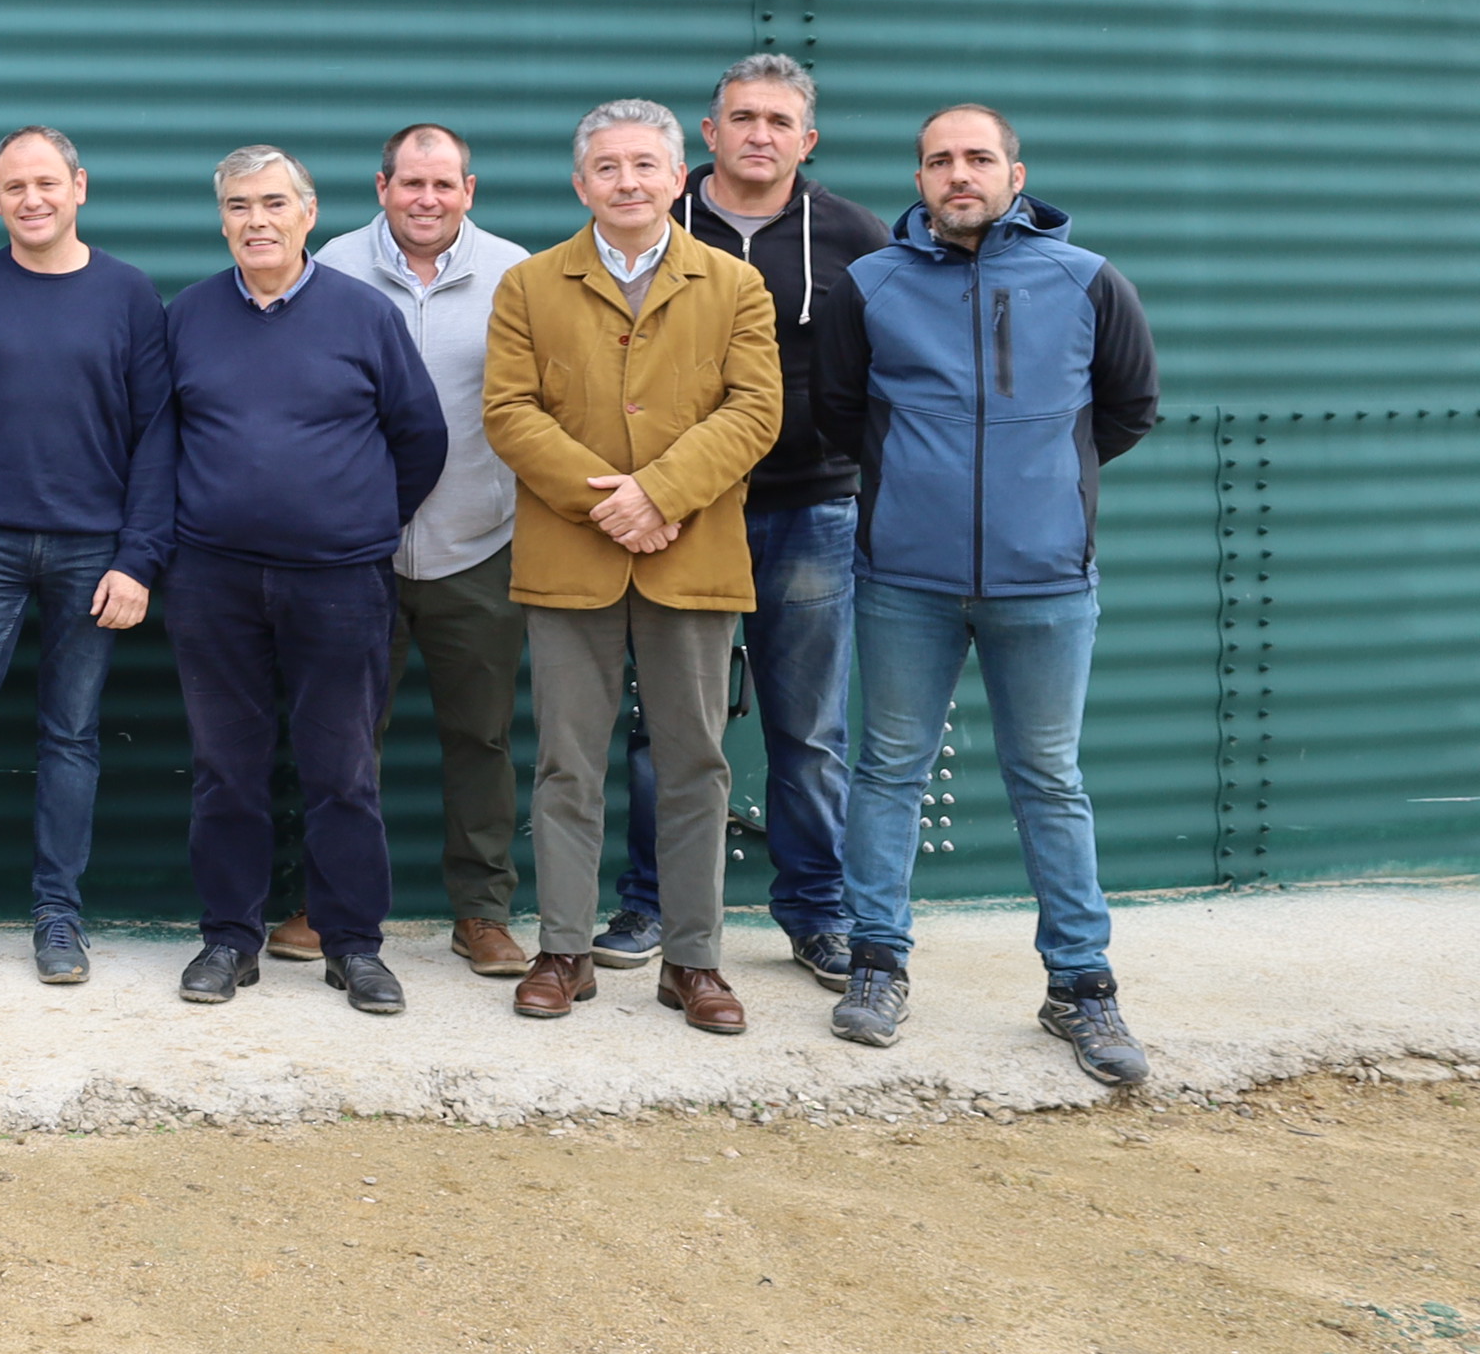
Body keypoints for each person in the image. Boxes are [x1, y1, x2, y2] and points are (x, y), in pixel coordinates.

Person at [820, 105, 1160, 1085]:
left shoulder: (1085, 279)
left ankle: (1079, 987)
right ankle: (875, 965)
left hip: (1044, 580)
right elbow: (841, 410)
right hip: (903, 579)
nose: (955, 172)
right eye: (937, 159)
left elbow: (1126, 407)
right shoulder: (868, 284)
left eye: (975, 157)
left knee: (1048, 778)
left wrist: (1039, 493)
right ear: (917, 178)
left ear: (1014, 172)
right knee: (885, 769)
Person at [481, 101, 782, 1037]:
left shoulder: (734, 286)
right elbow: (510, 411)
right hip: (571, 561)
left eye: (646, 165)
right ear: (581, 185)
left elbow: (753, 411)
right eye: (607, 168)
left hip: (691, 559)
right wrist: (607, 500)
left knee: (696, 764)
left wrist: (660, 494)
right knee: (568, 765)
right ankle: (564, 950)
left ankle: (693, 963)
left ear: (678, 177)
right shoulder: (530, 286)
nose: (627, 182)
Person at [162, 148, 446, 1015]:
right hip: (213, 581)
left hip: (339, 583)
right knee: (227, 770)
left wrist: (351, 521)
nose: (258, 219)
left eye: (275, 202)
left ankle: (353, 944)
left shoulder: (364, 316)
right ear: (221, 220)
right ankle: (229, 940)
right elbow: (159, 442)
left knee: (343, 770)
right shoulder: (188, 316)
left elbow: (420, 438)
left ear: (308, 214)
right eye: (240, 205)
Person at [0, 129, 169, 984]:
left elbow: (159, 437)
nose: (32, 199)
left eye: (47, 182)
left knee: (71, 732)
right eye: (14, 186)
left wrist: (139, 558)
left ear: (79, 187)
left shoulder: (128, 294)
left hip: (97, 550)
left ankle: (58, 914)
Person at [669, 53, 888, 991]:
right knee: (672, 726)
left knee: (809, 731)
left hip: (809, 510)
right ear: (709, 132)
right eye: (741, 117)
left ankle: (814, 911)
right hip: (679, 512)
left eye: (778, 120)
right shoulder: (653, 218)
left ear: (807, 138)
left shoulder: (853, 237)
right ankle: (653, 900)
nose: (759, 134)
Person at [309, 123, 536, 978]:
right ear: (382, 187)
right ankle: (323, 905)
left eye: (444, 185)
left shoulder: (516, 274)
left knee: (479, 739)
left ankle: (481, 912)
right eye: (411, 184)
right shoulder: (330, 265)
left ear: (468, 191)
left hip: (477, 545)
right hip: (357, 551)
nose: (427, 199)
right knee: (339, 736)